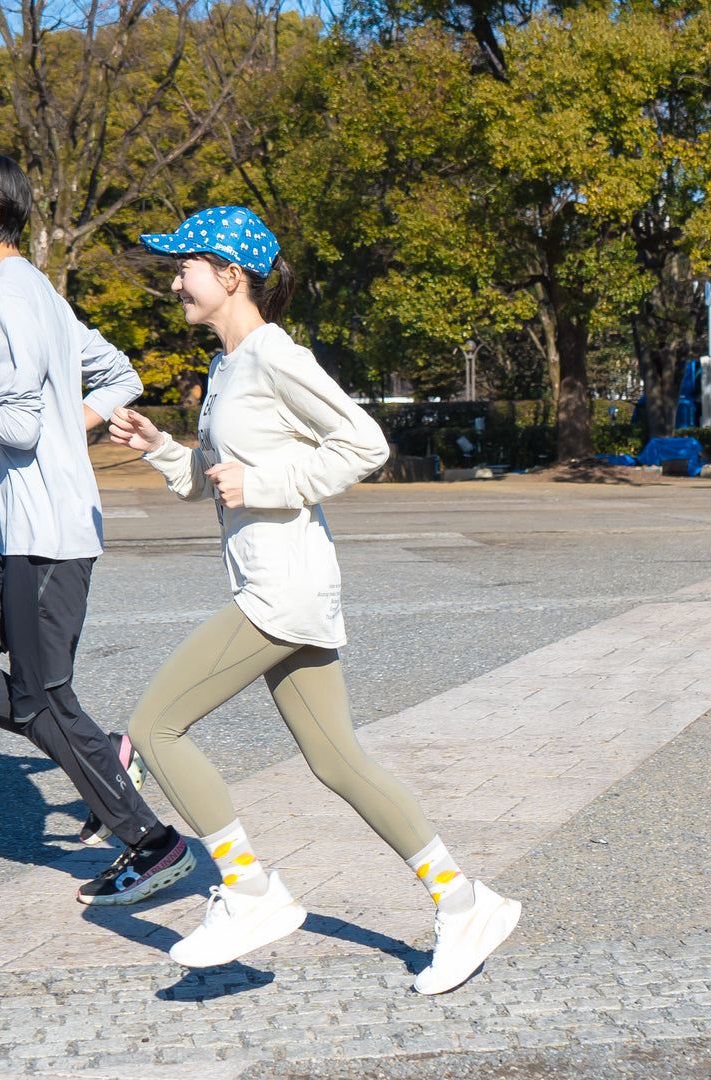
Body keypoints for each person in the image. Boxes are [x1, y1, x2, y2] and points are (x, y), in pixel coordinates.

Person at [105, 205, 521, 992]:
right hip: (275, 583)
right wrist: (161, 448)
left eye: (184, 266)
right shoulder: (228, 367)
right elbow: (215, 482)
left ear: (231, 275)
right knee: (337, 759)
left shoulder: (273, 355)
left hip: (281, 589)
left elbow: (366, 444)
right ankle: (466, 902)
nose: (174, 281)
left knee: (155, 728)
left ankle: (249, 892)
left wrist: (264, 483)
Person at [0, 151, 194, 906]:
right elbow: (121, 375)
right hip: (20, 534)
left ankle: (153, 845)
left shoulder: (12, 298)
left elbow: (21, 425)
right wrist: (64, 429)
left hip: (50, 536)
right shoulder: (33, 292)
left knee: (42, 699)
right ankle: (103, 755)